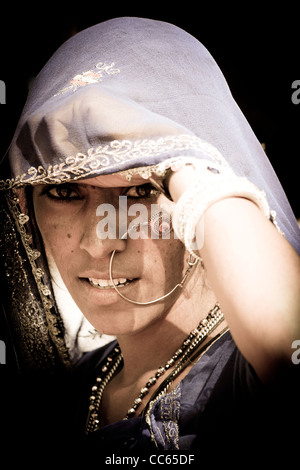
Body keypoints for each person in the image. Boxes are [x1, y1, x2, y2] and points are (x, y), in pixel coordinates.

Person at [0, 17, 299, 460]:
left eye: (141, 190)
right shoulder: (68, 390)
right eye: (64, 191)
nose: (101, 242)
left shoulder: (242, 375)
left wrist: (186, 162)